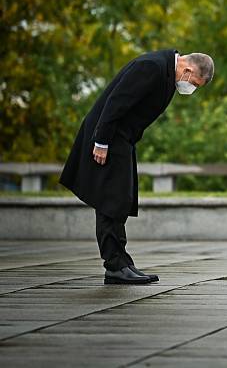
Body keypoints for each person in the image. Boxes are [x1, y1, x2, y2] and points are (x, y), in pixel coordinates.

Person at [60, 50, 214, 284]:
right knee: (110, 201)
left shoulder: (165, 72)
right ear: (188, 70)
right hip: (109, 137)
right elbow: (116, 101)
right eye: (193, 83)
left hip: (123, 140)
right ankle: (114, 266)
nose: (190, 88)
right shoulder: (152, 66)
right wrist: (101, 141)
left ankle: (122, 262)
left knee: (121, 199)